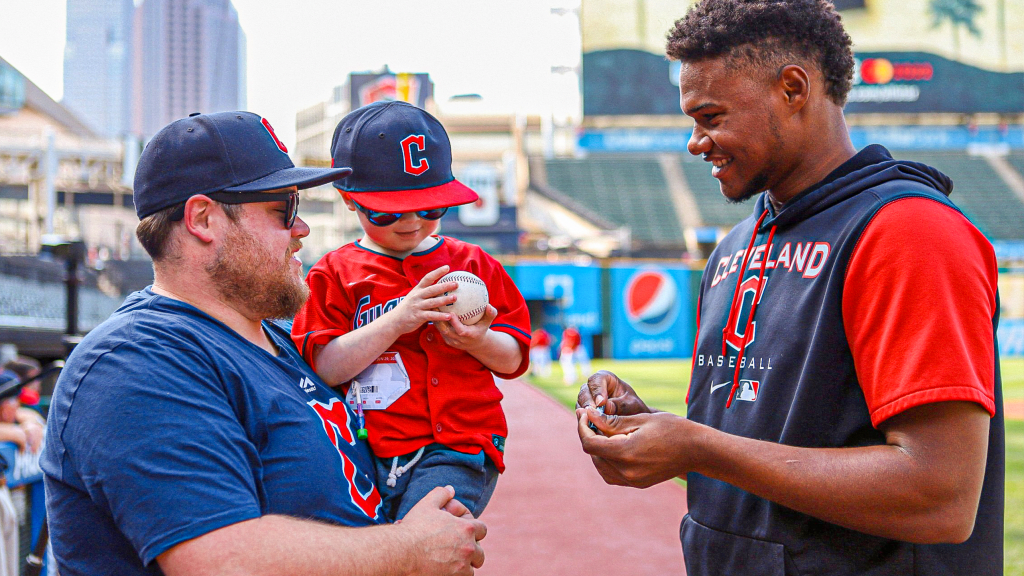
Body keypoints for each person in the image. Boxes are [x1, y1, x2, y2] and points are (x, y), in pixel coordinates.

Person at [577, 1, 1003, 575]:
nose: (696, 142)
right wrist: (657, 432)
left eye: (711, 116)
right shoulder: (733, 247)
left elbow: (940, 496)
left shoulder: (908, 231)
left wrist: (696, 446)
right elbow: (764, 452)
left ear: (794, 88)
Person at [40, 111, 487, 576]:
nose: (302, 230)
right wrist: (409, 549)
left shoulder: (278, 336)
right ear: (203, 219)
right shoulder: (135, 360)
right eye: (284, 210)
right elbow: (221, 560)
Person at [291, 101, 531, 522]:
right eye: (388, 210)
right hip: (366, 448)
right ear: (349, 198)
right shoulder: (333, 272)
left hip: (461, 445)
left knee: (416, 543)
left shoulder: (473, 262)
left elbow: (513, 359)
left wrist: (479, 340)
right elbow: (325, 367)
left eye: (430, 207)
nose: (412, 222)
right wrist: (397, 319)